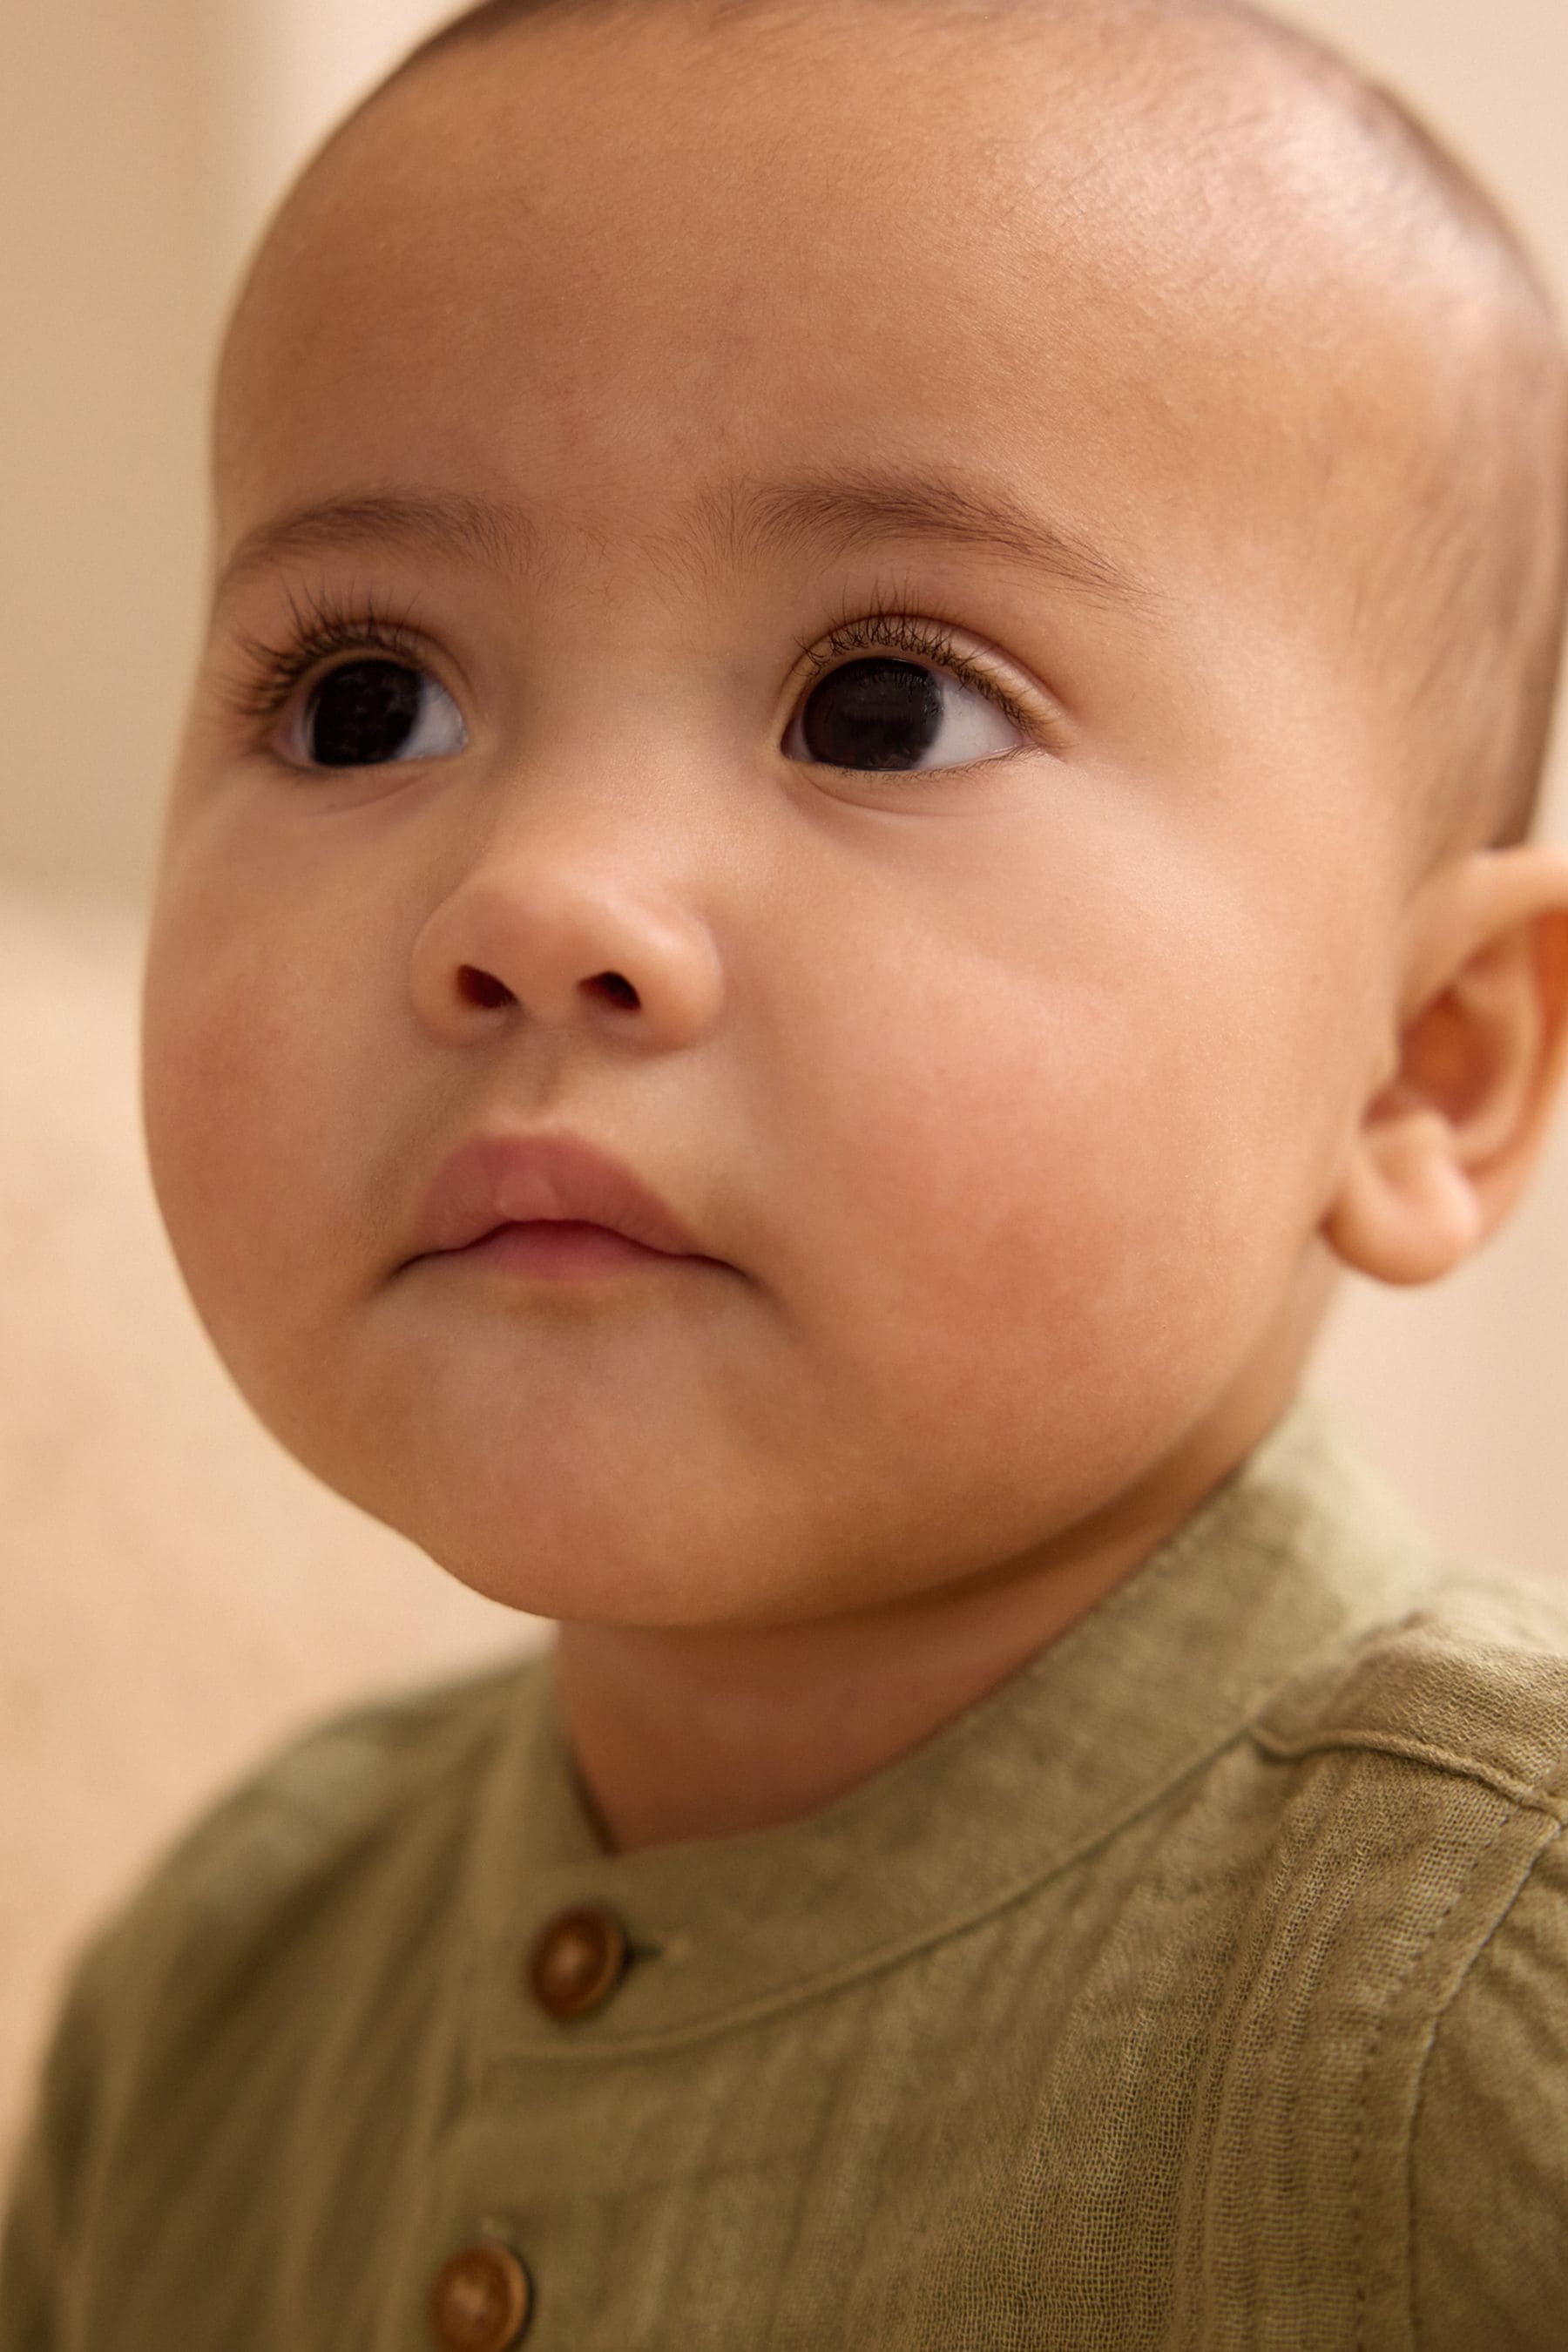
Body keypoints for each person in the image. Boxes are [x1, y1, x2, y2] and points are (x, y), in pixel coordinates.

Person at [6, 0, 1568, 2342]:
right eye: (365, 699)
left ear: (1419, 1071)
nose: (540, 898)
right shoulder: (227, 1978)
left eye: (885, 706)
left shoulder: (1479, 1994)